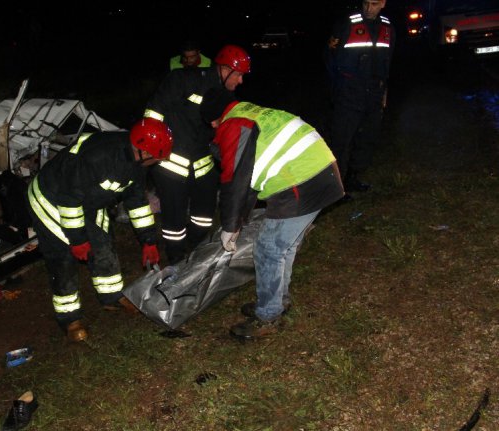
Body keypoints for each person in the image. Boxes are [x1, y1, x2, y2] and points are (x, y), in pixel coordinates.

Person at [199, 88, 344, 340]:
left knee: (269, 249)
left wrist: (230, 226)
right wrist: (238, 221)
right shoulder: (253, 112)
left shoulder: (233, 126)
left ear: (214, 119)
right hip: (324, 173)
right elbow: (251, 179)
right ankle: (278, 302)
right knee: (283, 247)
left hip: (301, 183)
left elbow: (235, 180)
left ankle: (268, 316)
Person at [27, 119, 173, 342]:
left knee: (103, 244)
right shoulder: (97, 157)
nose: (157, 162)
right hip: (52, 198)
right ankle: (70, 319)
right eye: (156, 157)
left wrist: (149, 240)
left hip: (87, 202)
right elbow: (68, 200)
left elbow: (137, 202)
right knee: (63, 259)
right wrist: (76, 240)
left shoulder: (137, 164)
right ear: (143, 151)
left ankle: (112, 297)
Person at [144, 44, 251, 264]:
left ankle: (196, 257)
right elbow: (153, 113)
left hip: (204, 166)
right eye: (238, 75)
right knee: (174, 222)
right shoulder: (182, 79)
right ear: (224, 69)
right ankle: (175, 261)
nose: (240, 81)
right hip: (171, 165)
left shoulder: (227, 96)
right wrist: (155, 147)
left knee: (203, 219)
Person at [325, 0, 395, 197]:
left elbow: (388, 62)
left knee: (366, 138)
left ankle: (352, 178)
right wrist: (338, 87)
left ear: (383, 3)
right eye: (365, 3)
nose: (368, 8)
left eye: (373, 4)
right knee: (342, 139)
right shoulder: (348, 23)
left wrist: (384, 93)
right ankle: (336, 187)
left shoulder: (387, 27)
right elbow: (330, 56)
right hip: (349, 92)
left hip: (373, 93)